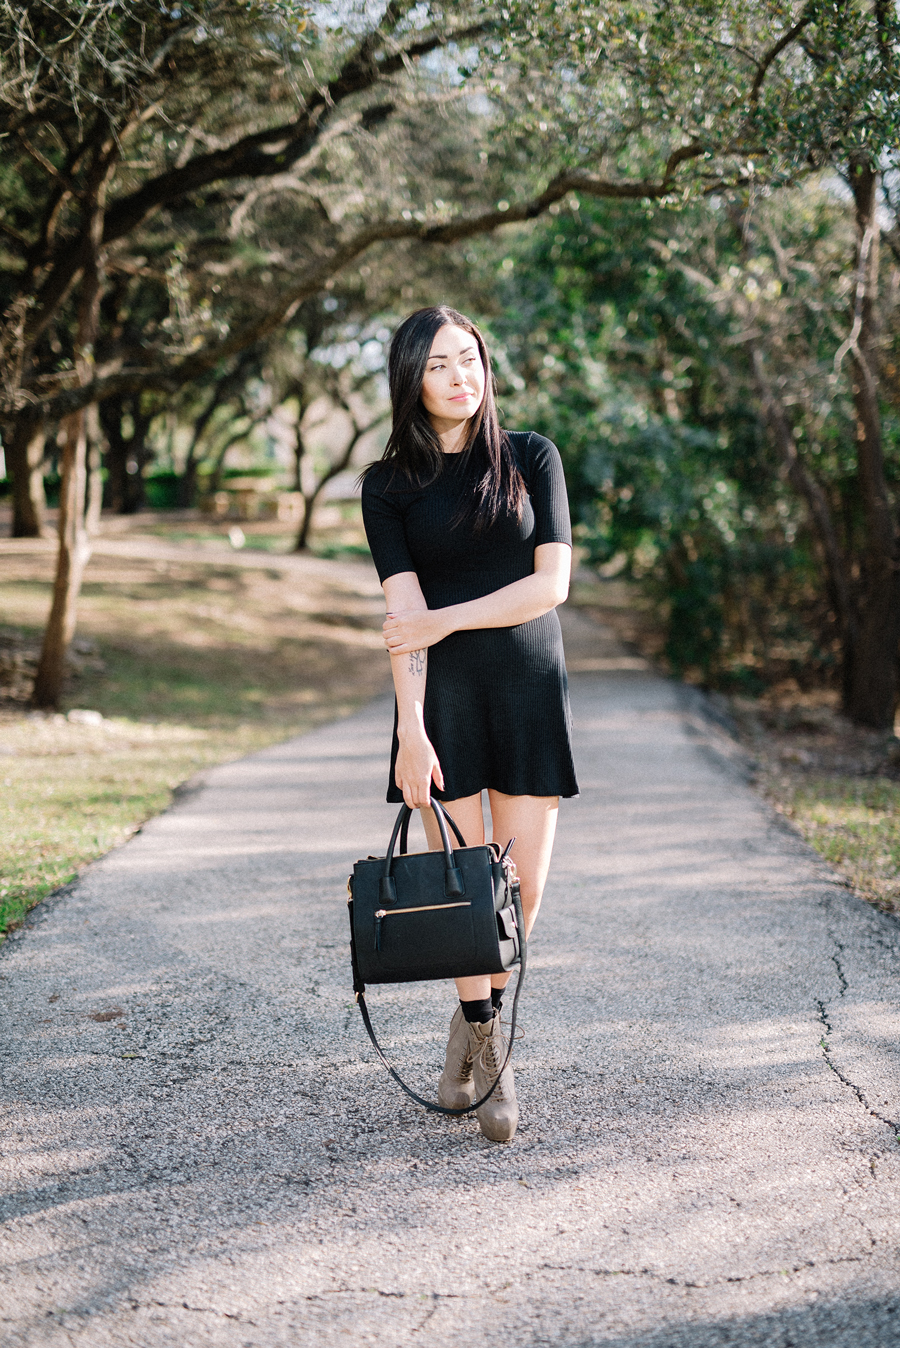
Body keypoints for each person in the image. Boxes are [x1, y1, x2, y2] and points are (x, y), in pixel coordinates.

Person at [360, 305, 578, 1143]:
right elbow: (401, 617)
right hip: (441, 705)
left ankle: (468, 1025)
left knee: (516, 899)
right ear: (412, 380)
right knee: (463, 893)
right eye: (441, 365)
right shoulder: (389, 486)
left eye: (472, 359)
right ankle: (494, 1055)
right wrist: (411, 731)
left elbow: (548, 586)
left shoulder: (531, 456)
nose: (462, 376)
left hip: (527, 687)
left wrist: (448, 621)